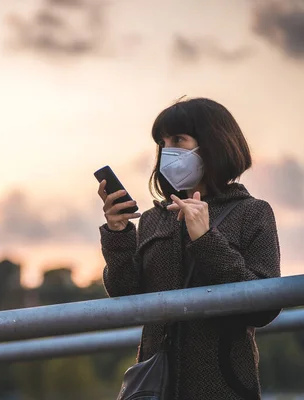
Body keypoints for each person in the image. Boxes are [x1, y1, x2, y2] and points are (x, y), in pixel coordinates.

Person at [98, 97, 281, 400]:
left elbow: (264, 307)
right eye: (163, 142)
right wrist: (118, 234)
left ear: (213, 143)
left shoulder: (253, 212)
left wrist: (206, 239)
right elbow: (125, 295)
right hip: (157, 386)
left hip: (224, 388)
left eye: (179, 139)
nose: (167, 151)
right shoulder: (155, 218)